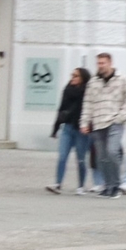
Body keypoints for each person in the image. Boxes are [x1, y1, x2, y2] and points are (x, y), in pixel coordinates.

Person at [82, 51, 126, 197]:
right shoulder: (93, 82)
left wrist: (123, 115)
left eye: (103, 63)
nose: (100, 66)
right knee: (101, 157)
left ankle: (116, 185)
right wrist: (85, 122)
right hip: (98, 122)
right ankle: (107, 185)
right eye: (98, 63)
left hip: (115, 121)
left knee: (112, 152)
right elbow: (87, 103)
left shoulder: (123, 79)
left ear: (110, 63)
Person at [48, 65, 91, 194]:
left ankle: (81, 186)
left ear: (83, 78)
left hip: (81, 129)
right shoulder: (67, 90)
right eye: (72, 75)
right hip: (67, 127)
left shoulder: (88, 92)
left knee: (81, 159)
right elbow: (61, 109)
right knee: (62, 156)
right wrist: (55, 128)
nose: (72, 78)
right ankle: (58, 183)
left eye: (76, 76)